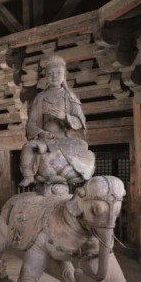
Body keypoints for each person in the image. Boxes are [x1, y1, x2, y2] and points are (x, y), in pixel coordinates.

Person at [19, 55, 93, 187]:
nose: (54, 76)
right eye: (50, 73)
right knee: (28, 147)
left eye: (58, 73)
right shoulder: (40, 98)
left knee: (82, 146)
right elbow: (31, 123)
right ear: (46, 76)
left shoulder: (69, 96)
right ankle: (28, 175)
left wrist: (65, 117)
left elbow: (80, 121)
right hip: (45, 138)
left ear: (64, 76)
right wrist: (41, 132)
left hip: (64, 138)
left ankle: (79, 174)